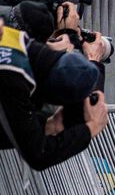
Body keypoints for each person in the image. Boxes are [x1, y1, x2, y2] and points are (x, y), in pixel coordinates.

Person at [0, 23, 108, 170]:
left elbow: (12, 127)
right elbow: (38, 155)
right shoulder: (15, 79)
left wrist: (50, 125)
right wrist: (90, 129)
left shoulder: (25, 53)